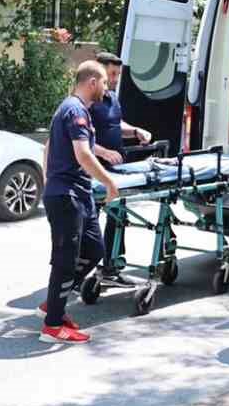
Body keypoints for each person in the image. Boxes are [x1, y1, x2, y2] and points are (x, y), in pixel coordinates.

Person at [40, 61, 120, 345]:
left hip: (77, 194)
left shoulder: (73, 110)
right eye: (106, 83)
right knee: (65, 259)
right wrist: (109, 182)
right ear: (92, 82)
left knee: (95, 248)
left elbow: (51, 146)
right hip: (67, 196)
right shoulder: (75, 110)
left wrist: (104, 152)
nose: (108, 88)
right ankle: (52, 326)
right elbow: (83, 155)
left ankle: (55, 303)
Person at [87, 52, 152, 276]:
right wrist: (103, 152)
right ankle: (81, 269)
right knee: (88, 222)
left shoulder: (112, 97)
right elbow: (78, 139)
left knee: (117, 216)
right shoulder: (86, 101)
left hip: (117, 169)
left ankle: (111, 264)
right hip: (94, 169)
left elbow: (115, 124)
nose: (114, 79)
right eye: (111, 74)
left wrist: (135, 131)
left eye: (117, 74)